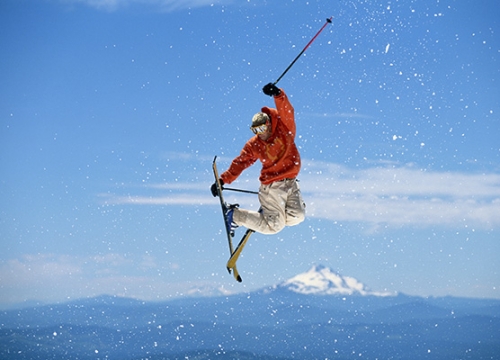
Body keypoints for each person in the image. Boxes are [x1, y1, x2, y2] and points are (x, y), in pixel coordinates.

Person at [211, 83, 305, 235]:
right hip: (272, 186)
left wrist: (278, 94)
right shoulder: (255, 144)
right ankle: (235, 216)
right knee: (274, 227)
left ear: (269, 124)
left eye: (261, 129)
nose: (259, 133)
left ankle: (269, 214)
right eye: (255, 130)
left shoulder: (284, 130)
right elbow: (241, 162)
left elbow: (287, 111)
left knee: (297, 216)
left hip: (291, 182)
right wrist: (223, 180)